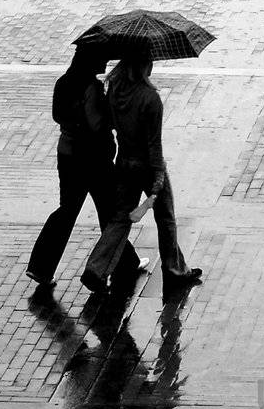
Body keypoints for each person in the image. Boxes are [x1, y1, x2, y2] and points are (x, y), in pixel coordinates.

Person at [80, 53, 202, 294]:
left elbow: (112, 124)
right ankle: (174, 270)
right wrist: (158, 177)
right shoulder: (150, 98)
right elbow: (154, 144)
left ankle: (96, 269)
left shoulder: (115, 89)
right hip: (147, 165)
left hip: (124, 162)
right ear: (146, 64)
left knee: (120, 217)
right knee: (165, 217)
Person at [26, 49, 143, 288]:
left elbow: (57, 115)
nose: (105, 59)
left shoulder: (64, 83)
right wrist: (110, 111)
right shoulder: (91, 87)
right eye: (101, 57)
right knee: (110, 210)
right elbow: (96, 124)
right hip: (94, 159)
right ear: (90, 61)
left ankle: (41, 267)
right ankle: (123, 263)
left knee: (67, 210)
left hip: (68, 154)